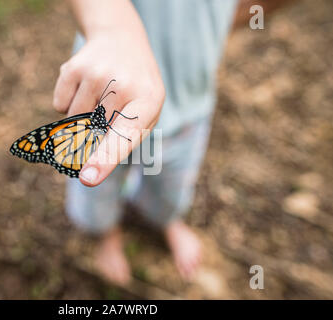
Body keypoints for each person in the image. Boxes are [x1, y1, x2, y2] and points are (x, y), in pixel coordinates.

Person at [53, 0, 292, 286]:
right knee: (97, 183)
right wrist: (110, 31)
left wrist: (213, 26)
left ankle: (164, 218)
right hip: (107, 96)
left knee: (172, 183)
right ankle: (106, 234)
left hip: (187, 104)